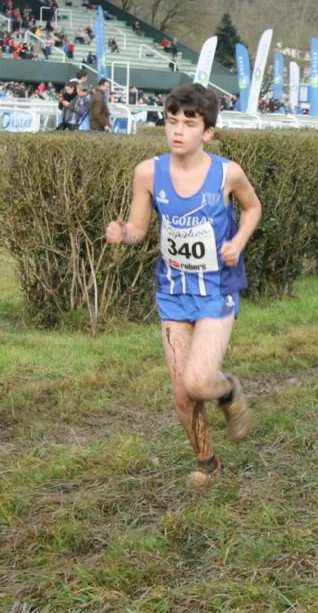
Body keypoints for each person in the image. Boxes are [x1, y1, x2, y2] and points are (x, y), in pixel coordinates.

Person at [105, 84, 262, 488]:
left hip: (216, 290)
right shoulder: (148, 172)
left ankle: (228, 391)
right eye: (171, 121)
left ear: (208, 132)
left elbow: (252, 208)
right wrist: (123, 233)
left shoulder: (227, 173)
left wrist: (238, 242)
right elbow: (140, 228)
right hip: (172, 292)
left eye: (189, 124)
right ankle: (208, 463)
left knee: (199, 381)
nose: (177, 130)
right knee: (182, 393)